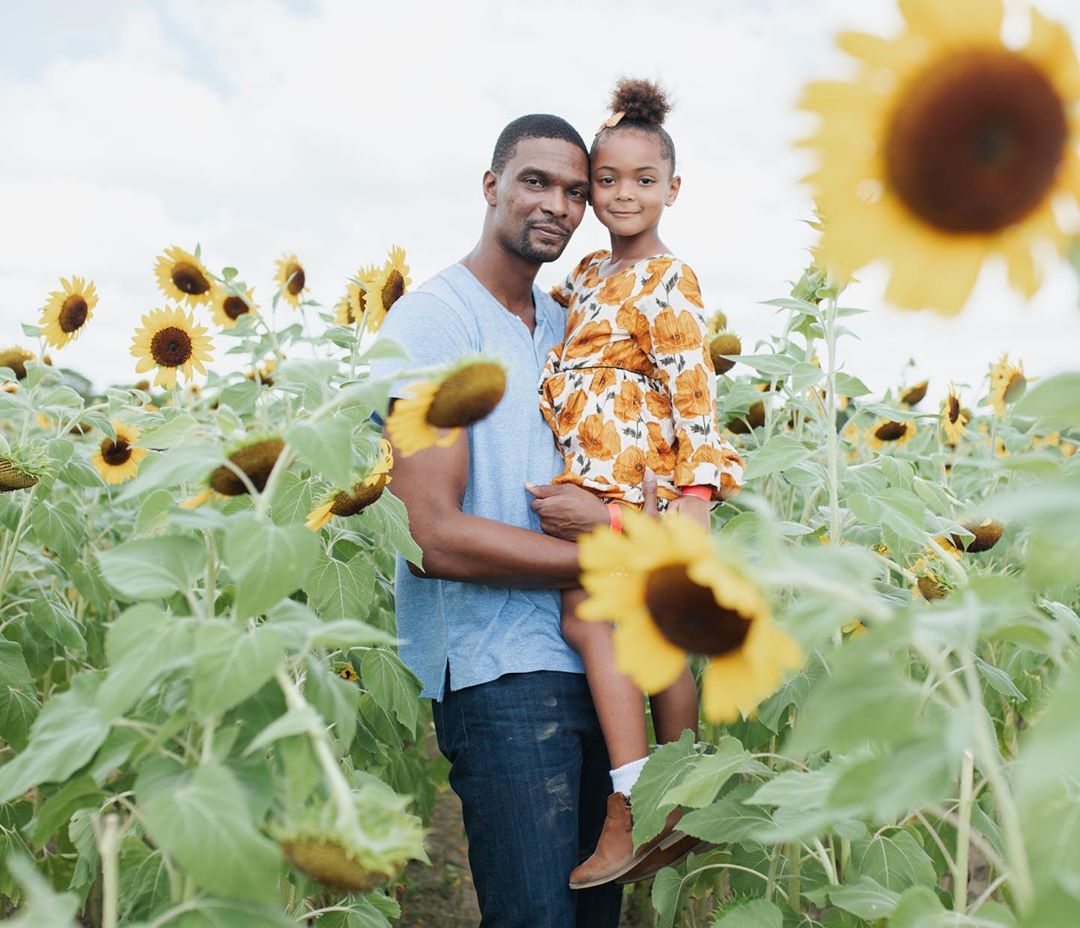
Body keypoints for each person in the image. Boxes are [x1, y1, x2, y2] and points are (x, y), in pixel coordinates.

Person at [370, 115, 626, 928]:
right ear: (491, 186)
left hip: (592, 660)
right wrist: (608, 557)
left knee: (594, 914)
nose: (557, 204)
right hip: (499, 675)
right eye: (536, 182)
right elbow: (428, 534)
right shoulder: (435, 322)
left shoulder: (564, 329)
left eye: (576, 192)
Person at [535, 78, 746, 889]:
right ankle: (680, 802)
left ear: (673, 189)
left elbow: (693, 393)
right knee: (649, 639)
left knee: (591, 619)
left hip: (642, 493)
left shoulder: (671, 280)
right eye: (609, 181)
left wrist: (693, 504)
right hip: (600, 480)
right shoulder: (587, 273)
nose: (625, 194)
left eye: (644, 181)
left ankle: (633, 805)